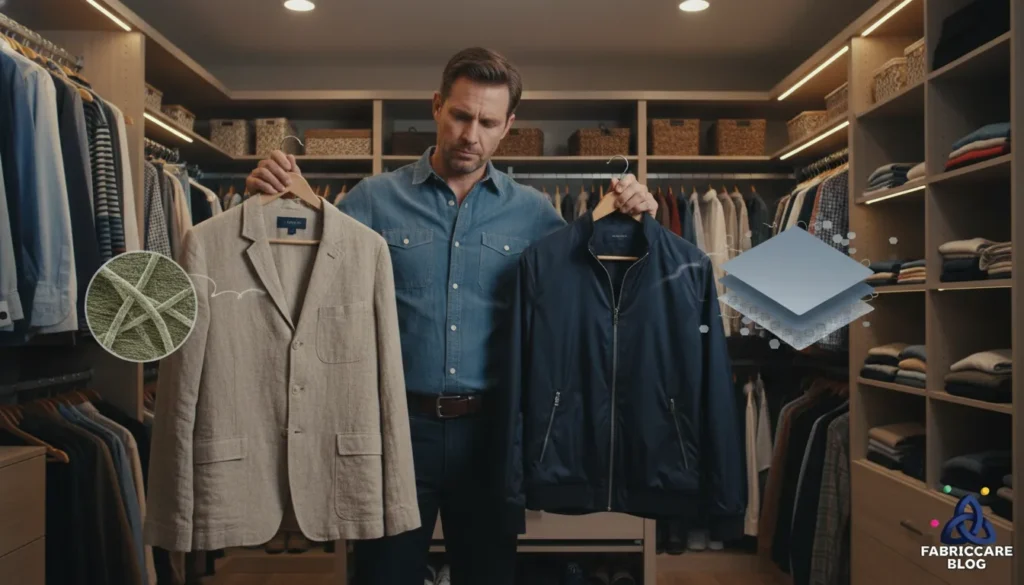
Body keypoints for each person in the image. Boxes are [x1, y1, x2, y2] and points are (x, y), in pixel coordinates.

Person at [246, 46, 658, 585]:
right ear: (437, 106)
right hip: (394, 430)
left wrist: (640, 222)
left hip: (493, 435)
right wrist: (265, 203)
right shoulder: (372, 201)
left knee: (488, 575)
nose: (471, 135)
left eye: (488, 122)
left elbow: (589, 298)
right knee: (383, 575)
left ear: (508, 126)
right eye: (461, 116)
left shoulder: (535, 213)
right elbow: (302, 284)